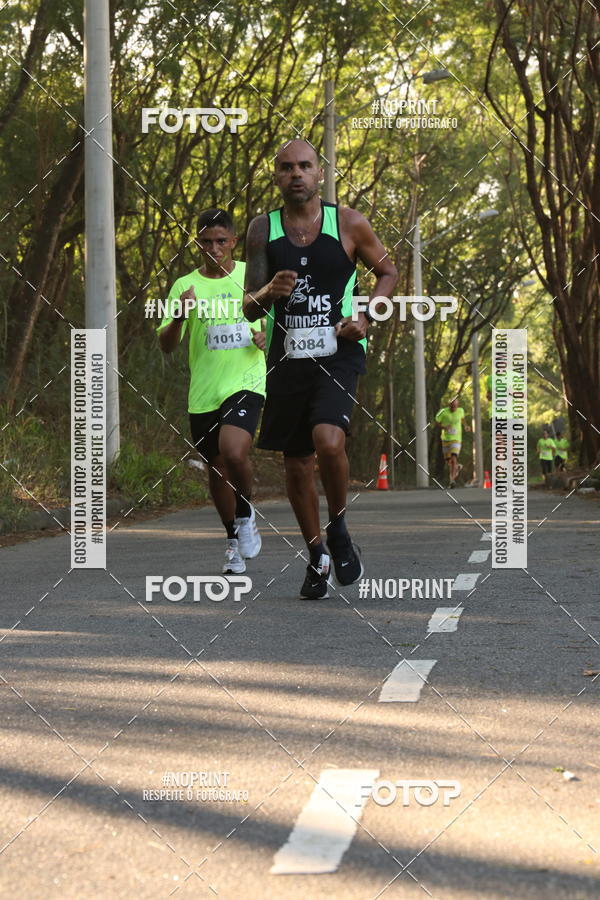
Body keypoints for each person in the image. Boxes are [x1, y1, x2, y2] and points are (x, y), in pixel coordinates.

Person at [243, 139, 397, 600]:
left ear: (320, 173)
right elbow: (249, 306)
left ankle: (340, 529)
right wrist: (270, 290)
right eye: (287, 167)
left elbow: (388, 272)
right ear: (276, 175)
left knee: (329, 441)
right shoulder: (260, 230)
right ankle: (317, 555)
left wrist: (367, 317)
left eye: (305, 166)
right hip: (287, 359)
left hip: (338, 352)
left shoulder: (347, 222)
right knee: (296, 465)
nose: (296, 174)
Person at [158, 208, 266, 574]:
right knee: (217, 468)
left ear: (234, 242)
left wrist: (266, 336)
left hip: (246, 381)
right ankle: (233, 542)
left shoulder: (252, 277)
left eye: (221, 241)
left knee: (233, 452)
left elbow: (272, 326)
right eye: (206, 242)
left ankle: (247, 510)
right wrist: (178, 316)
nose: (214, 248)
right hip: (204, 391)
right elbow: (167, 344)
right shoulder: (184, 286)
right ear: (197, 243)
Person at [435, 397, 471, 488]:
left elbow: (462, 419)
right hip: (445, 439)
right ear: (449, 405)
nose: (453, 408)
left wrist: (466, 426)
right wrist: (444, 427)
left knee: (453, 458)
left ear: (458, 406)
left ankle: (452, 480)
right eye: (452, 406)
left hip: (456, 438)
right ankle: (457, 467)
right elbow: (436, 422)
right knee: (449, 461)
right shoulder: (442, 412)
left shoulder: (461, 411)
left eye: (455, 407)